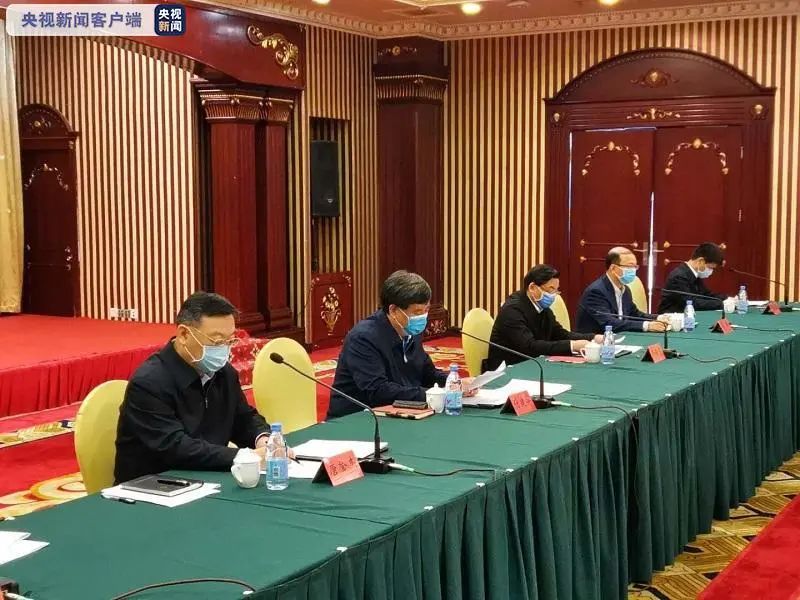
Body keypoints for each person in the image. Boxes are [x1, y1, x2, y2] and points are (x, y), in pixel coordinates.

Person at [114, 291, 272, 484]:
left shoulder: (223, 372)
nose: (224, 349)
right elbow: (174, 447)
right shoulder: (148, 383)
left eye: (230, 341)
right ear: (183, 334)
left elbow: (243, 418)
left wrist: (263, 440)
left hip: (206, 478)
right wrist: (243, 456)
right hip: (153, 485)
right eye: (217, 341)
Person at [327, 271, 450, 419]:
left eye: (426, 310)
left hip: (401, 412)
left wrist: (453, 383)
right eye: (417, 312)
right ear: (393, 310)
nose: (422, 317)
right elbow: (378, 391)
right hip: (358, 419)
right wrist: (430, 395)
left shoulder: (411, 331)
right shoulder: (363, 337)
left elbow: (426, 373)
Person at [486, 264, 603, 370]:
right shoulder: (512, 310)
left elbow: (561, 334)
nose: (554, 295)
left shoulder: (542, 308)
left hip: (533, 364)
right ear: (532, 287)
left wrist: (594, 338)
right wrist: (572, 346)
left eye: (556, 290)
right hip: (507, 369)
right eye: (551, 289)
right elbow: (529, 346)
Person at [576, 247, 669, 334]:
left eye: (635, 267)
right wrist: (647, 326)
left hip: (619, 337)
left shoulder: (625, 289)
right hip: (596, 341)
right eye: (629, 266)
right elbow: (609, 323)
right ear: (613, 268)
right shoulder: (596, 292)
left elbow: (634, 314)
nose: (633, 270)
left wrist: (659, 318)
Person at [658, 242, 729, 313]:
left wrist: (727, 299)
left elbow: (707, 295)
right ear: (701, 261)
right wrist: (721, 304)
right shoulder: (679, 276)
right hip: (671, 318)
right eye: (710, 268)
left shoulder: (694, 275)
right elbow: (691, 303)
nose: (711, 271)